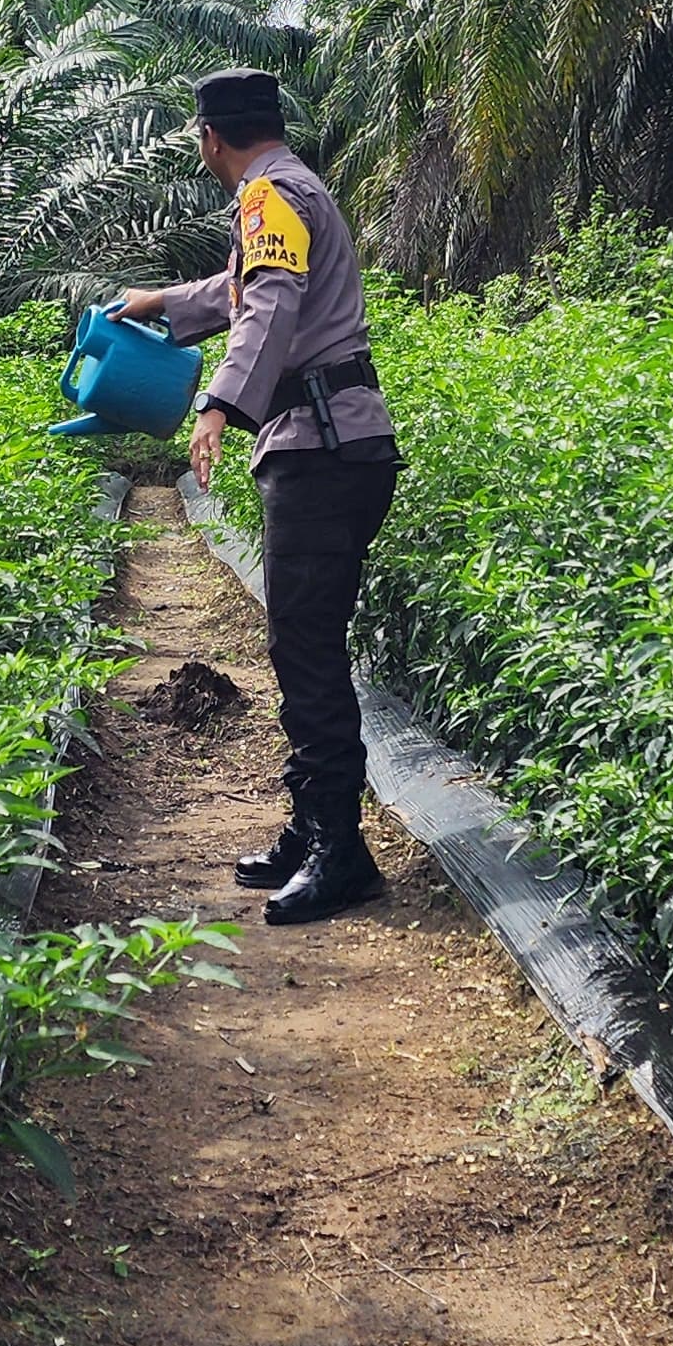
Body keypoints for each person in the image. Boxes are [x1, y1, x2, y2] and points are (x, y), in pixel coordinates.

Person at [111, 67, 398, 925]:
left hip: (321, 451)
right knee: (300, 644)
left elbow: (268, 305)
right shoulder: (287, 188)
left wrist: (216, 406)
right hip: (333, 447)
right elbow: (242, 287)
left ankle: (340, 852)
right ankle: (313, 829)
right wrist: (160, 301)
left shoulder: (269, 196)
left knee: (305, 649)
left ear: (210, 139)